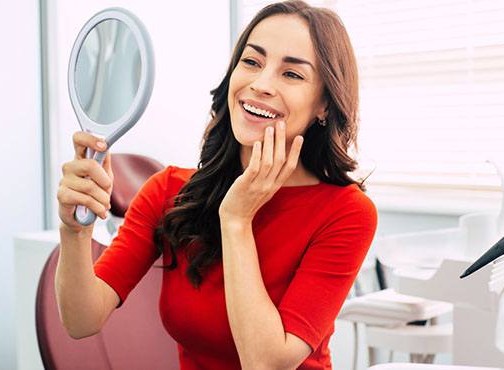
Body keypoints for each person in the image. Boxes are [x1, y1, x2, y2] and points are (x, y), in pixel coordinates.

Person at [56, 1, 377, 369]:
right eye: (252, 62)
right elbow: (81, 321)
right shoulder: (169, 191)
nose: (260, 84)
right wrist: (74, 232)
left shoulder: (346, 212)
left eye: (292, 74)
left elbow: (266, 364)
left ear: (324, 104)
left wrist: (237, 221)